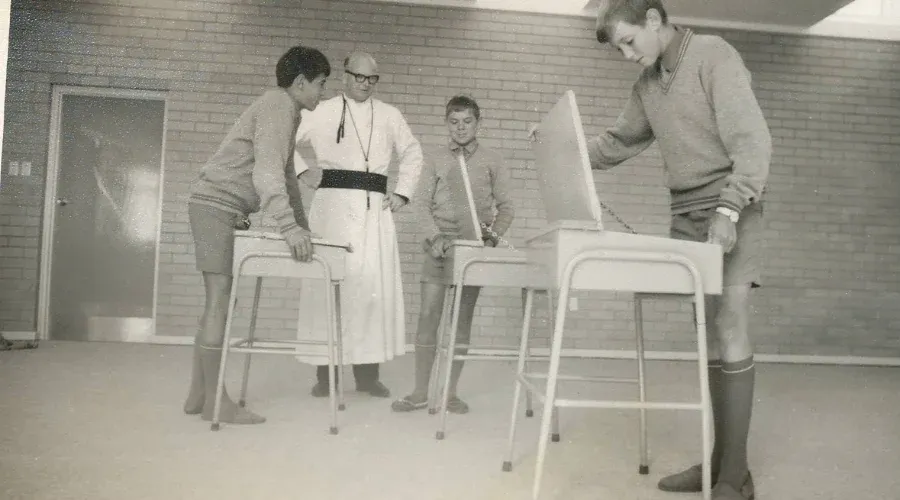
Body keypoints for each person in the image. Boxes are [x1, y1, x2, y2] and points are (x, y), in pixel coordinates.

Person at [531, 1, 771, 498]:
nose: (625, 55)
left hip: (732, 208)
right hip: (685, 215)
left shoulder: (713, 56)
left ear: (655, 20)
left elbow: (752, 142)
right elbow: (616, 143)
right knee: (707, 338)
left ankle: (734, 475)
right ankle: (718, 462)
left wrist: (729, 211)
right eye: (619, 47)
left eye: (629, 41)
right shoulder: (646, 85)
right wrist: (560, 144)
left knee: (729, 328)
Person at [185, 45, 330, 424]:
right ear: (300, 83)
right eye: (320, 84)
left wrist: (302, 226)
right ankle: (217, 401)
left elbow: (285, 176)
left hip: (216, 207)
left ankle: (199, 393)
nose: (322, 92)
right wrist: (288, 227)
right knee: (220, 300)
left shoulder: (285, 109)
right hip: (216, 206)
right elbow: (266, 174)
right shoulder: (279, 106)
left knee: (219, 301)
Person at [293, 51, 423, 398]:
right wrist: (303, 171)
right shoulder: (321, 110)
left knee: (370, 291)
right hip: (332, 210)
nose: (365, 84)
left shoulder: (390, 115)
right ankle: (326, 376)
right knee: (329, 288)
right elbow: (282, 139)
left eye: (372, 79)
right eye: (359, 77)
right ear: (345, 77)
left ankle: (368, 376)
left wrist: (403, 193)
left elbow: (412, 152)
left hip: (373, 214)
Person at [391, 95, 515, 414]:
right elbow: (419, 204)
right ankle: (420, 391)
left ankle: (450, 393)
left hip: (472, 250)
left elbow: (507, 208)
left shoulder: (492, 160)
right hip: (438, 248)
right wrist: (434, 238)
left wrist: (487, 244)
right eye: (454, 122)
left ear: (478, 122)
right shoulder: (434, 159)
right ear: (447, 123)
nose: (460, 128)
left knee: (461, 323)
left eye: (467, 121)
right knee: (428, 318)